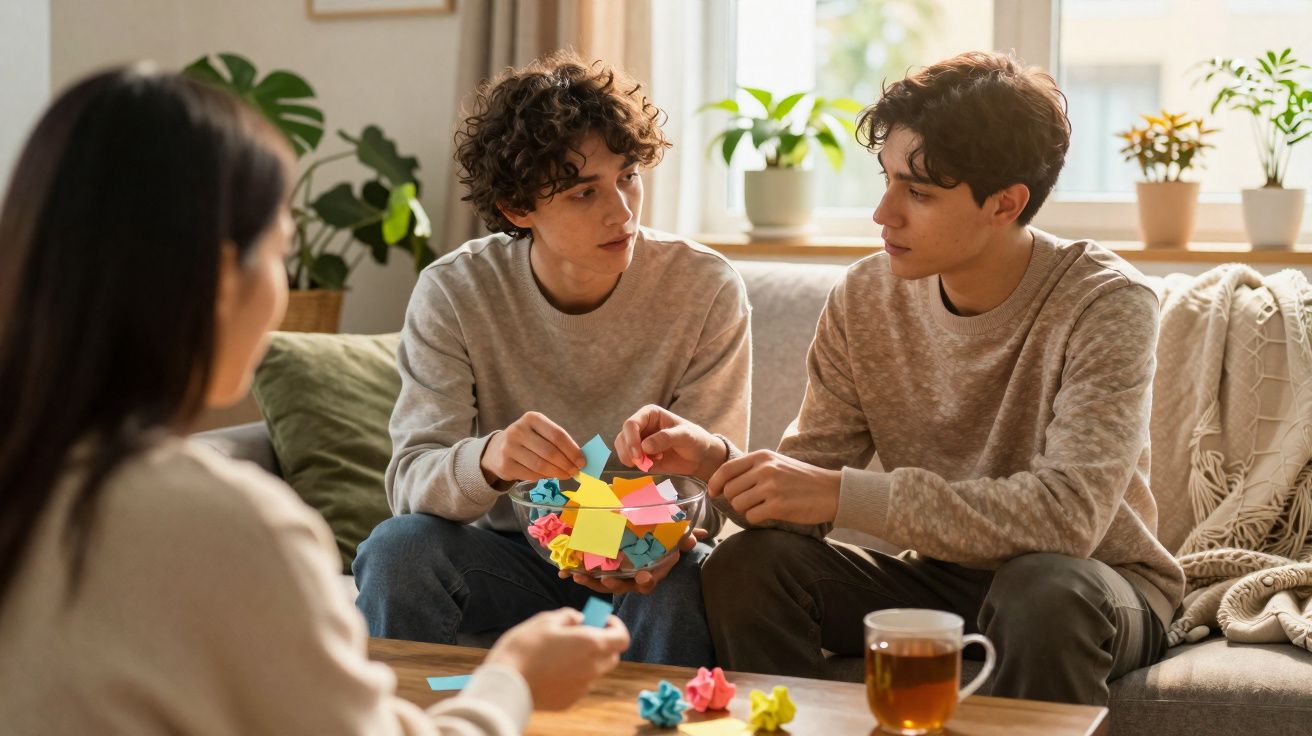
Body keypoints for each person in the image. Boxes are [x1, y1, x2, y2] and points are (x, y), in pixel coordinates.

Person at [0, 65, 629, 735]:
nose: (619, 210)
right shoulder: (230, 527)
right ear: (223, 280)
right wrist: (512, 682)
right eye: (281, 250)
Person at [613, 51, 1185, 705]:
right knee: (750, 564)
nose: (884, 213)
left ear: (1005, 204)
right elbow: (805, 495)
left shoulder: (1106, 302)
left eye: (918, 192)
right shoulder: (864, 298)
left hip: (1093, 585)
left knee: (1041, 589)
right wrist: (715, 464)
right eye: (886, 179)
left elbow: (1067, 520)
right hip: (941, 579)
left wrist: (842, 495)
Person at [351, 50, 750, 668]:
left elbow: (710, 498)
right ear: (519, 209)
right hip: (514, 562)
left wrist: (665, 527)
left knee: (688, 577)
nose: (622, 211)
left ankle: (651, 715)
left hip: (644, 565)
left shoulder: (704, 287)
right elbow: (410, 482)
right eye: (584, 192)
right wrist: (488, 460)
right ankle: (414, 715)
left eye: (628, 177)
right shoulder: (454, 291)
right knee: (399, 548)